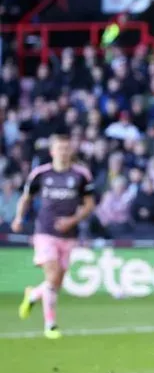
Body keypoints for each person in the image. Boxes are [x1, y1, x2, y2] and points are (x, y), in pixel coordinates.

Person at [13, 133, 96, 338]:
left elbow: (89, 204)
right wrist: (18, 218)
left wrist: (72, 220)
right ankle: (50, 325)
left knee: (56, 282)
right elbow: (26, 198)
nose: (63, 152)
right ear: (52, 151)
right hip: (45, 232)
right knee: (52, 274)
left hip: (69, 235)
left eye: (67, 148)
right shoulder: (40, 174)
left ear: (71, 151)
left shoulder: (81, 175)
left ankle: (33, 294)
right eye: (60, 148)